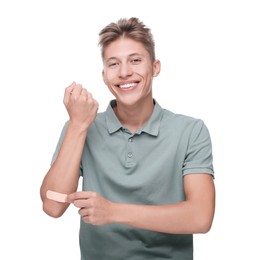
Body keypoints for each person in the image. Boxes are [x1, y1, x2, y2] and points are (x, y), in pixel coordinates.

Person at [40, 17, 215, 260]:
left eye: (135, 60)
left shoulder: (190, 131)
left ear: (155, 67)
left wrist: (112, 212)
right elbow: (52, 205)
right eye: (114, 64)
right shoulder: (79, 127)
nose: (124, 72)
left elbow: (200, 217)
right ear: (104, 75)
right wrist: (79, 125)